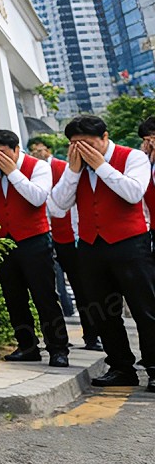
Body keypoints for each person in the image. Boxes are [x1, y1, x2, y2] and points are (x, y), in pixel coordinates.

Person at [51, 115, 155, 392]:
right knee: (102, 311)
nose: (80, 150)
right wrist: (73, 171)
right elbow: (58, 205)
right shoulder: (74, 167)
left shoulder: (132, 157)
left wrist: (101, 165)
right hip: (90, 245)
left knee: (145, 309)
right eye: (74, 144)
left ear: (105, 138)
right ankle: (120, 366)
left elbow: (134, 193)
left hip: (130, 243)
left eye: (86, 143)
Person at [0, 130, 69, 365]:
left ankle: (58, 349)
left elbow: (37, 198)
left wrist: (13, 173)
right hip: (3, 241)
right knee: (14, 297)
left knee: (44, 296)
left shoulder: (38, 167)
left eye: (2, 154)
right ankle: (27, 346)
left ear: (15, 150)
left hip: (34, 239)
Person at [28, 135, 102, 351]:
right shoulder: (33, 171)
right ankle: (58, 338)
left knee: (82, 289)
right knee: (50, 290)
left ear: (48, 149)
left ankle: (92, 336)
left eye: (38, 148)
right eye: (31, 149)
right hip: (46, 236)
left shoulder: (66, 168)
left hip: (71, 236)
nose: (35, 152)